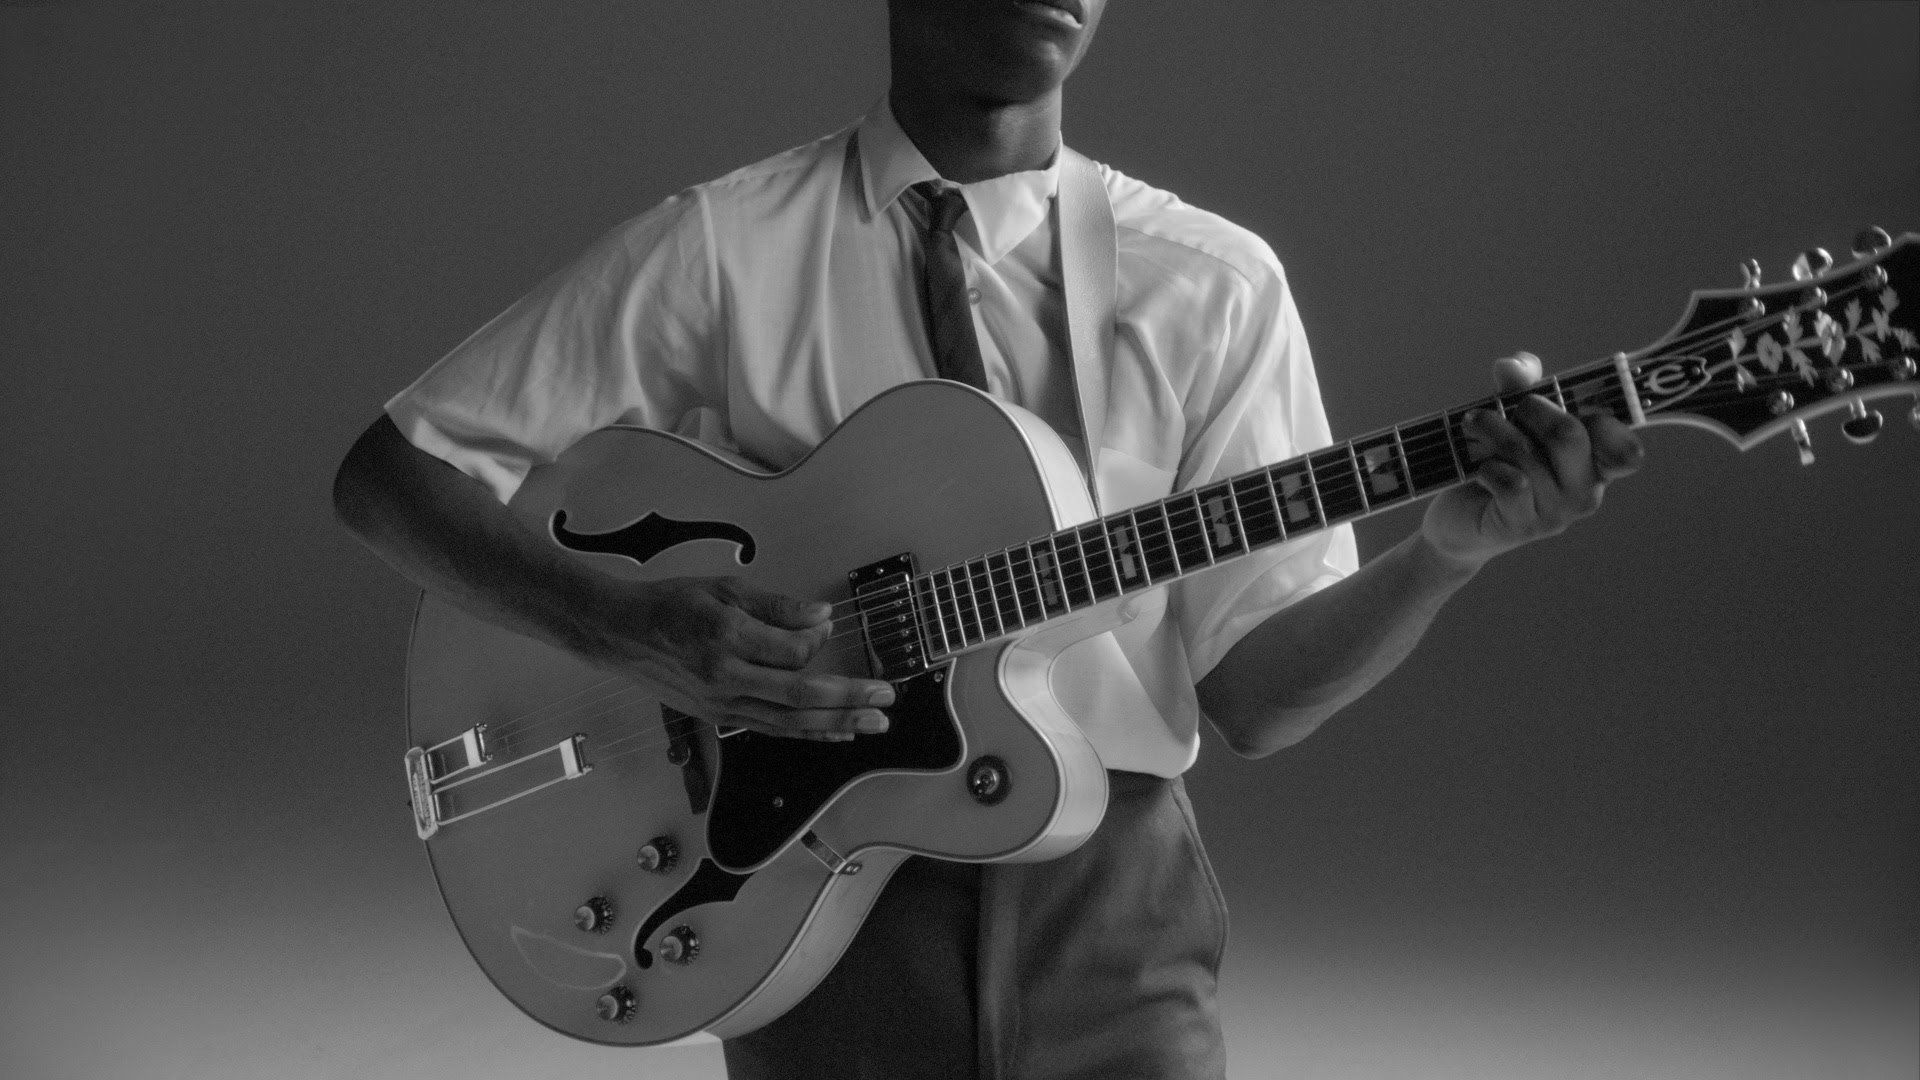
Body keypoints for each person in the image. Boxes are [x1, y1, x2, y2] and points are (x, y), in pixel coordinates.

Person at [334, 1, 1643, 1076]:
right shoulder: (727, 250)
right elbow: (393, 478)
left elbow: (1256, 695)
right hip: (813, 917)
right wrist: (632, 632)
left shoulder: (1213, 285)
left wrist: (1447, 552)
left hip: (1114, 931)